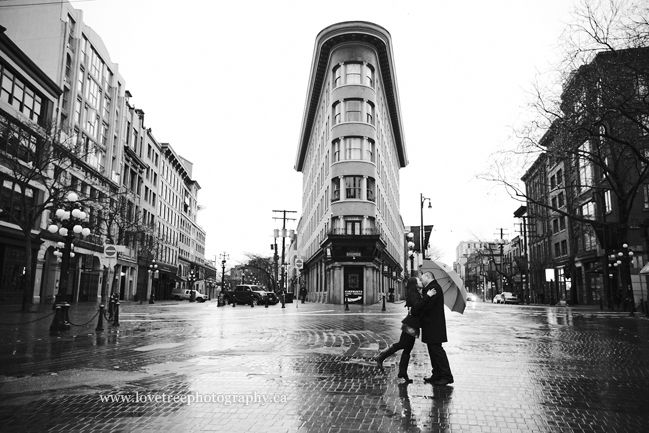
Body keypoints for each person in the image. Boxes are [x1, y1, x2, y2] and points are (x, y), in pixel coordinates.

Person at [373, 277, 427, 383]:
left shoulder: (417, 293)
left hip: (413, 325)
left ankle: (402, 372)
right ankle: (381, 356)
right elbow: (417, 308)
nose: (421, 282)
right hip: (410, 325)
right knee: (402, 344)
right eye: (419, 281)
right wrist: (427, 297)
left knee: (407, 348)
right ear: (415, 284)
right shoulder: (414, 294)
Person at [412, 270, 454, 386]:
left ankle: (446, 376)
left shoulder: (433, 288)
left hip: (434, 325)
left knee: (437, 351)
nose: (421, 280)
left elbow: (427, 307)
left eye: (422, 278)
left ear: (428, 276)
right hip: (432, 325)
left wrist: (420, 306)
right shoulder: (432, 287)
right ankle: (437, 374)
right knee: (433, 350)